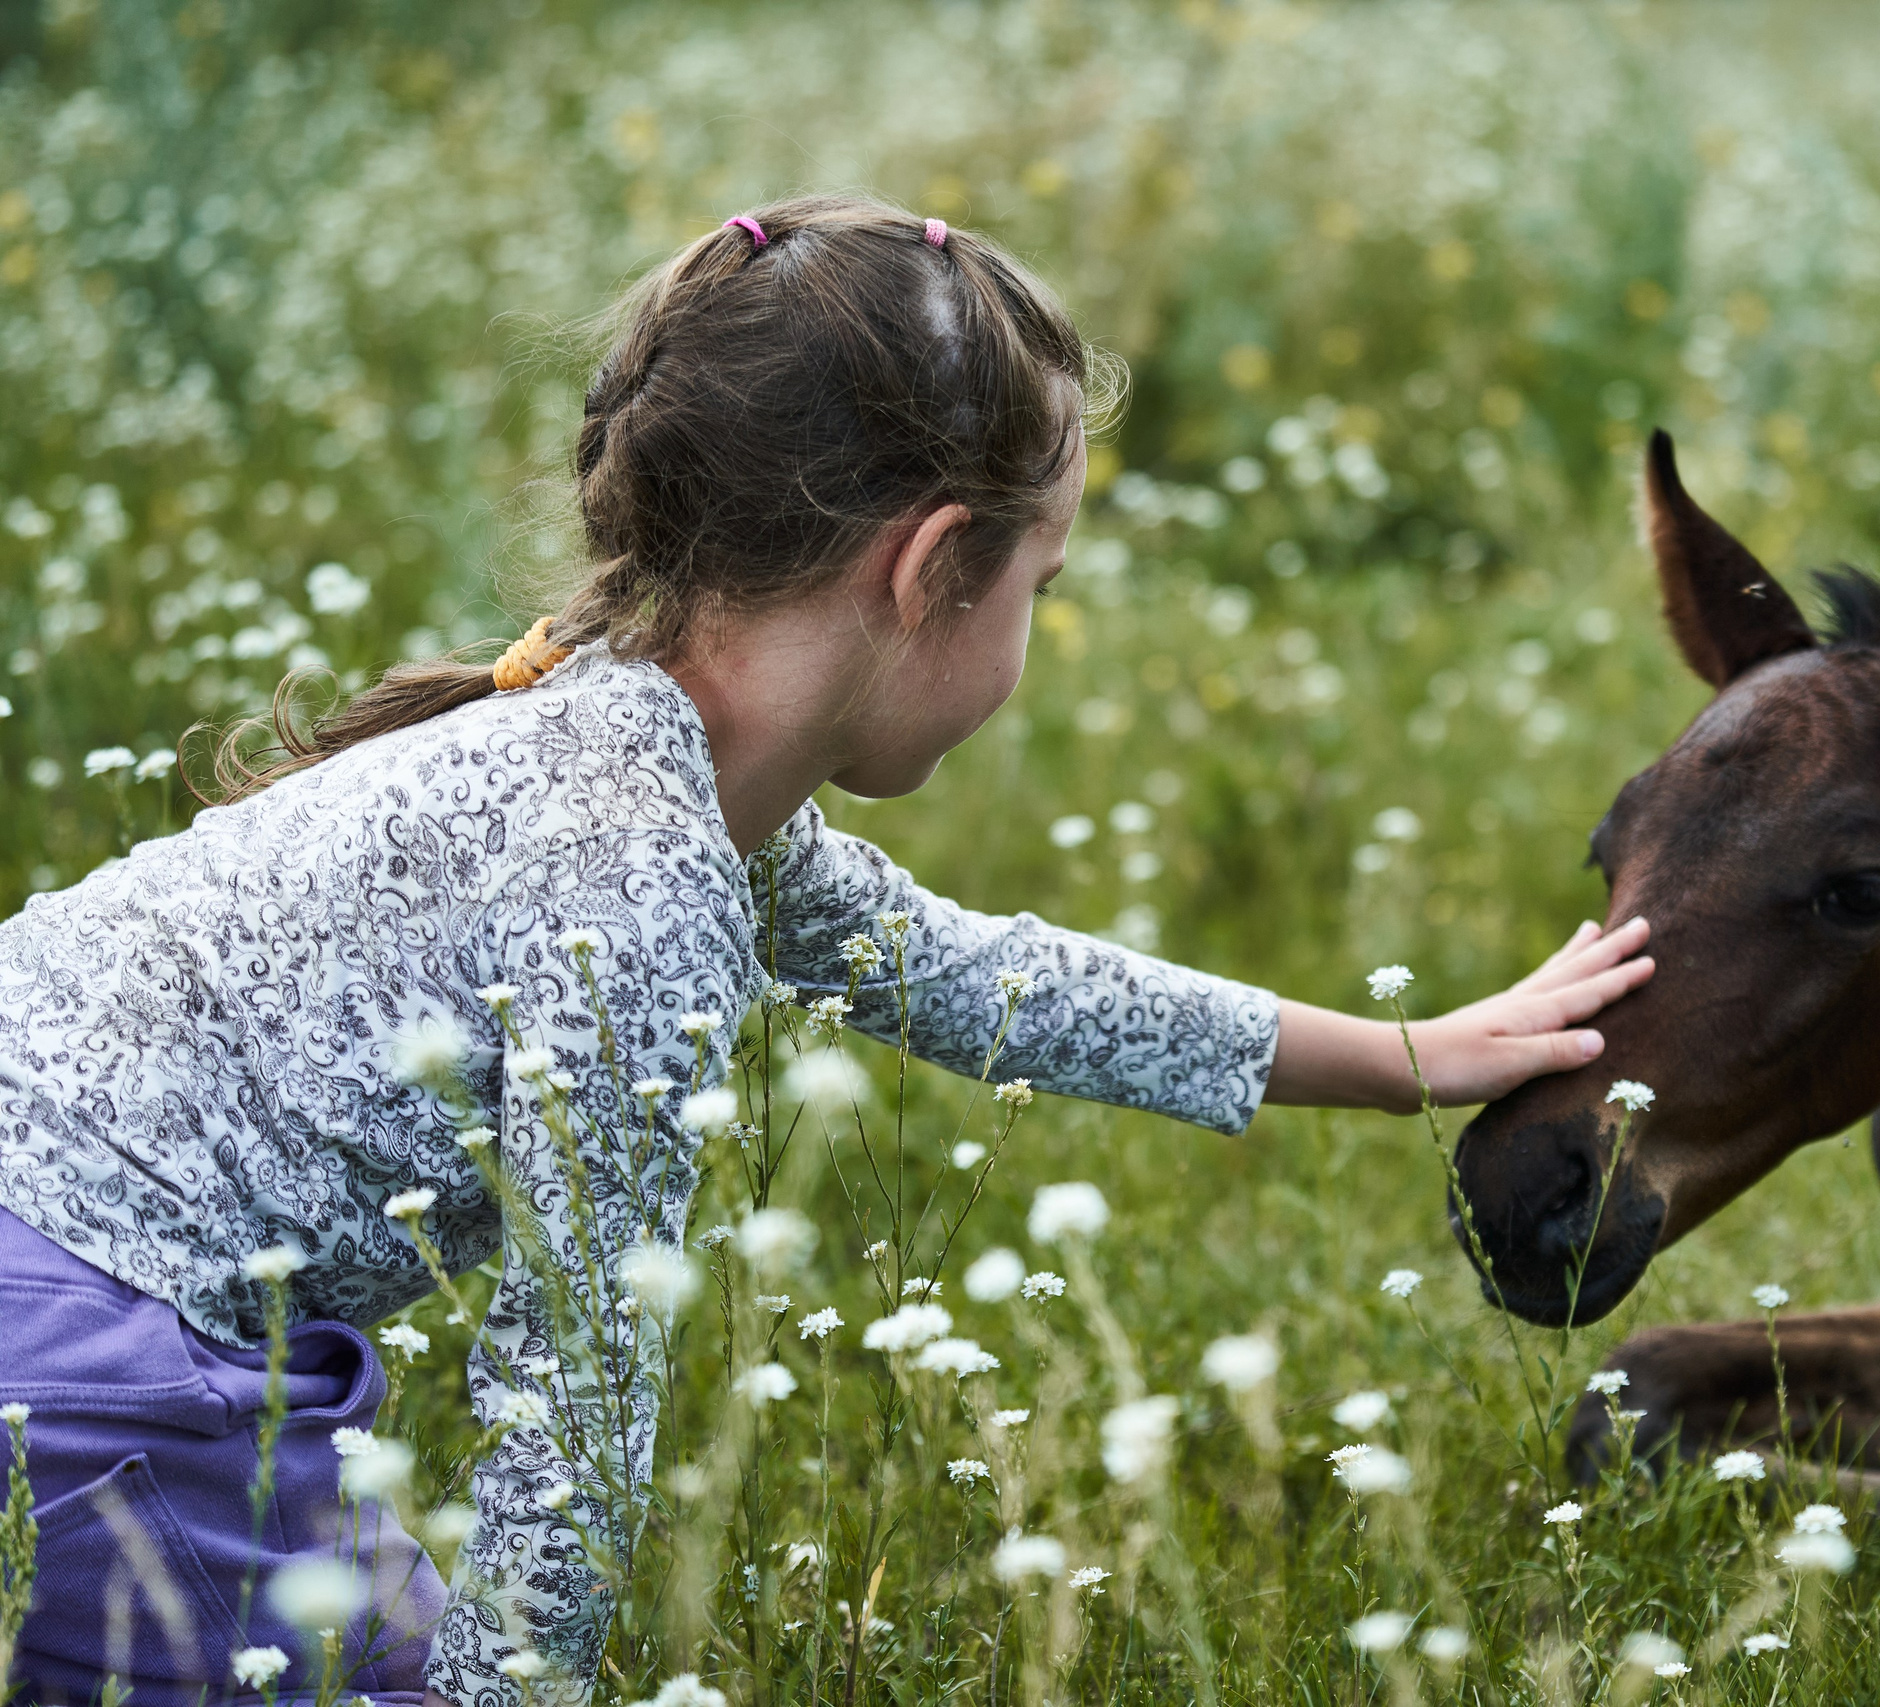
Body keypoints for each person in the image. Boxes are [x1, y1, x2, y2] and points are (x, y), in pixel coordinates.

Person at [0, 195, 1652, 1705]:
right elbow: (566, 1417)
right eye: (1042, 590)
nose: (1037, 635)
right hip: (76, 1366)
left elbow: (976, 979)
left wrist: (1412, 1057)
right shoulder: (636, 882)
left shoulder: (629, 753)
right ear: (935, 569)